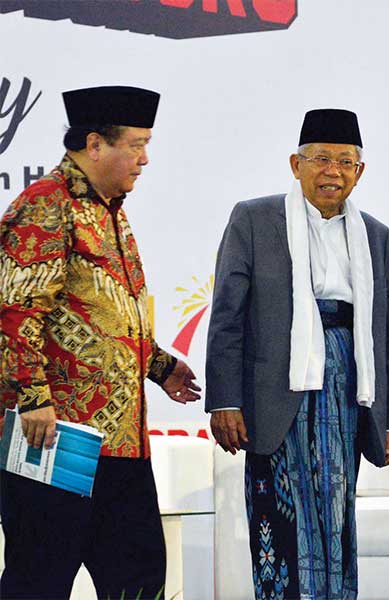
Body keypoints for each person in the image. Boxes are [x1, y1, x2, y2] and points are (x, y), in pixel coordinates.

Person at [0, 86, 201, 599]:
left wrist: (158, 366)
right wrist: (34, 398)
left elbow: (104, 316)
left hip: (122, 443)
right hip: (56, 438)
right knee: (39, 580)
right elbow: (16, 311)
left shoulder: (111, 208)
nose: (145, 158)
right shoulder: (45, 206)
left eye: (147, 143)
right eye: (135, 144)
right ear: (94, 144)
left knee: (139, 577)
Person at [205, 108, 389, 600]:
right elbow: (227, 315)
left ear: (360, 172)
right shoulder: (254, 218)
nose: (332, 172)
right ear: (295, 165)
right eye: (320, 159)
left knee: (335, 509)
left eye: (345, 162)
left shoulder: (375, 235)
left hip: (346, 381)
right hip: (276, 388)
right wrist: (223, 399)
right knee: (280, 515)